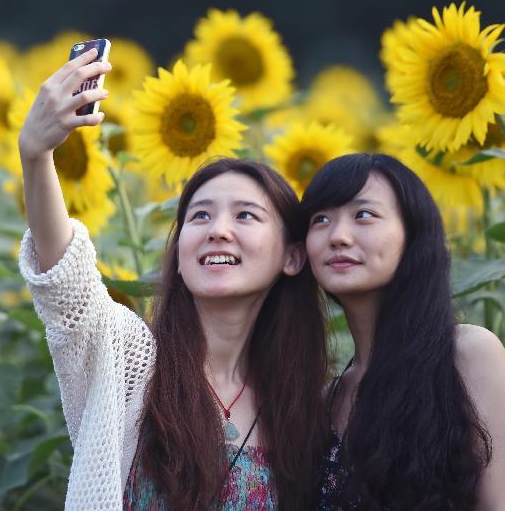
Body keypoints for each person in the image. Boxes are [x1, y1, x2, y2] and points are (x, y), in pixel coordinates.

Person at [17, 47, 329, 510]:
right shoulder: (129, 363)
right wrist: (37, 157)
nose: (218, 229)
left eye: (245, 215)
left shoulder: (304, 402)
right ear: (180, 254)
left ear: (292, 257)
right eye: (199, 217)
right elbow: (69, 289)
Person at [301, 153, 505, 510]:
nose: (338, 236)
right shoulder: (327, 399)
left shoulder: (469, 356)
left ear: (413, 234)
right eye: (321, 219)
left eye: (363, 215)